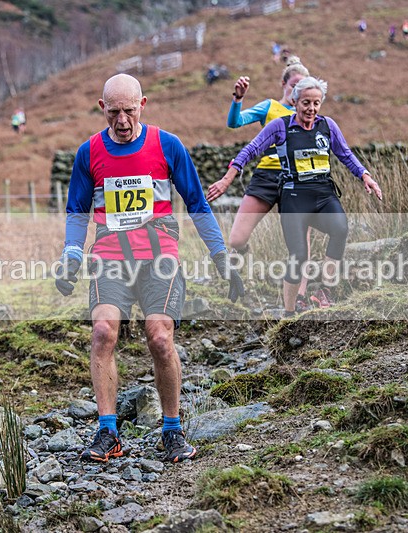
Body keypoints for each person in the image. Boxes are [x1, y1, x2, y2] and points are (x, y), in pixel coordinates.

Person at [56, 74, 244, 464]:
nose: (121, 121)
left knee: (159, 337)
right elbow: (77, 211)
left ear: (144, 105)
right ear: (101, 108)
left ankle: (172, 431)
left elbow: (197, 203)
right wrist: (71, 255)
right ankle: (108, 431)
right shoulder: (88, 152)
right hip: (109, 255)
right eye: (113, 112)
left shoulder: (167, 145)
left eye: (128, 110)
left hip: (160, 255)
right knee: (103, 332)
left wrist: (222, 256)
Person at [208, 76, 383, 317]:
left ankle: (325, 290)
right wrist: (227, 179)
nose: (311, 109)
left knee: (340, 228)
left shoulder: (328, 125)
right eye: (306, 103)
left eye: (316, 103)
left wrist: (365, 175)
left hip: (323, 194)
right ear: (295, 101)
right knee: (299, 256)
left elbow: (345, 153)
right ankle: (289, 312)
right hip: (294, 197)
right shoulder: (280, 126)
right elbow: (250, 150)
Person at [209, 57, 322, 311]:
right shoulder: (270, 108)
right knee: (236, 240)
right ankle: (241, 256)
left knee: (301, 245)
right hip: (266, 178)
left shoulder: (310, 113)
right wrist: (237, 99)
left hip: (298, 180)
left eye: (304, 87)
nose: (298, 92)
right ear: (284, 84)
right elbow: (234, 123)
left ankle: (299, 298)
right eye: (294, 85)